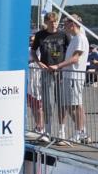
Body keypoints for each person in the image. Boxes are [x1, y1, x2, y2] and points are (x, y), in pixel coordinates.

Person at [49, 14, 89, 145]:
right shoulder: (75, 39)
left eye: (65, 24)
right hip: (70, 76)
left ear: (72, 24)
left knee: (75, 106)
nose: (63, 26)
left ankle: (79, 133)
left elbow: (75, 58)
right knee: (74, 105)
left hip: (74, 77)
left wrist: (58, 66)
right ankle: (82, 132)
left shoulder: (80, 38)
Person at [29, 12, 68, 141]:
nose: (54, 24)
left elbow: (70, 52)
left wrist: (62, 66)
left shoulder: (64, 35)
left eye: (55, 21)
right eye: (51, 22)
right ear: (46, 22)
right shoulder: (40, 35)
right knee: (47, 102)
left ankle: (62, 131)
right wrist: (39, 62)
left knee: (61, 102)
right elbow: (33, 51)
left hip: (61, 72)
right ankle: (47, 130)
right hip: (46, 71)